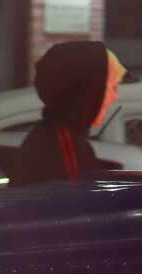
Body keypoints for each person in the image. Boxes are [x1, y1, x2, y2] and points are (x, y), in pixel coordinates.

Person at [12, 41, 126, 186]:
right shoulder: (63, 147)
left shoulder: (58, 137)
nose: (115, 96)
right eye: (111, 87)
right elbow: (80, 205)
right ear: (86, 91)